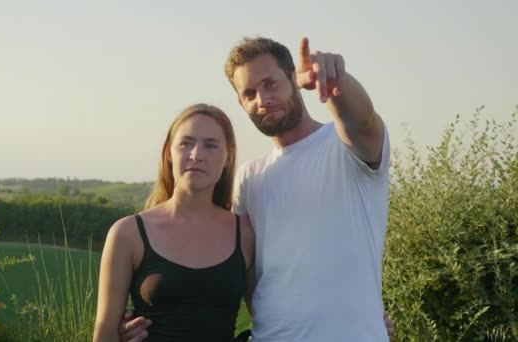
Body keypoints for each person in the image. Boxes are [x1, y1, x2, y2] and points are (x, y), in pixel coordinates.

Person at [120, 36, 394, 341]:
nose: (262, 99)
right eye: (249, 93)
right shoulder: (249, 179)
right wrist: (141, 324)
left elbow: (364, 122)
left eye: (270, 84)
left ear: (293, 78)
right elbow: (221, 271)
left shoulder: (345, 148)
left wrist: (334, 84)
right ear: (241, 103)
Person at [92, 104, 256, 342]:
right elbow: (105, 332)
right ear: (169, 153)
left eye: (210, 145)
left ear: (228, 157)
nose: (196, 154)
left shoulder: (246, 234)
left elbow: (268, 319)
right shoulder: (128, 233)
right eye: (186, 143)